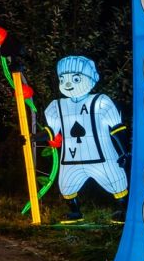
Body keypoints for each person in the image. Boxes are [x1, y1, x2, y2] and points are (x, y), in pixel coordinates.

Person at [43, 55, 128, 221]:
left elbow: (117, 128)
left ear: (91, 79)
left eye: (75, 78)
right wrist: (32, 138)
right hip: (71, 159)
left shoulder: (101, 102)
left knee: (116, 182)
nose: (68, 84)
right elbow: (51, 131)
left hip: (102, 158)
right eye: (62, 79)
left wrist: (124, 153)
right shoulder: (57, 106)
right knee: (66, 186)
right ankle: (75, 212)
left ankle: (123, 209)